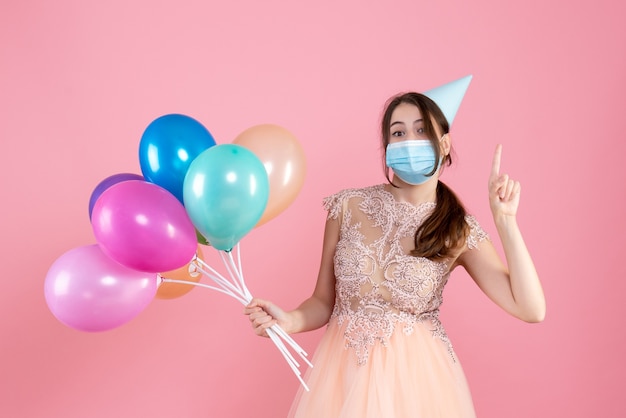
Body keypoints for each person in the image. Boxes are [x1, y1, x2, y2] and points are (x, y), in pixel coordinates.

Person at [244, 88, 546, 417]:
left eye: (421, 130)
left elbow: (530, 309)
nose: (409, 141)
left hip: (417, 386)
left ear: (443, 144)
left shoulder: (458, 229)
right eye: (398, 132)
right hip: (342, 377)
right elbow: (322, 302)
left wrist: (506, 222)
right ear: (387, 147)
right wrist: (289, 320)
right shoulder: (347, 207)